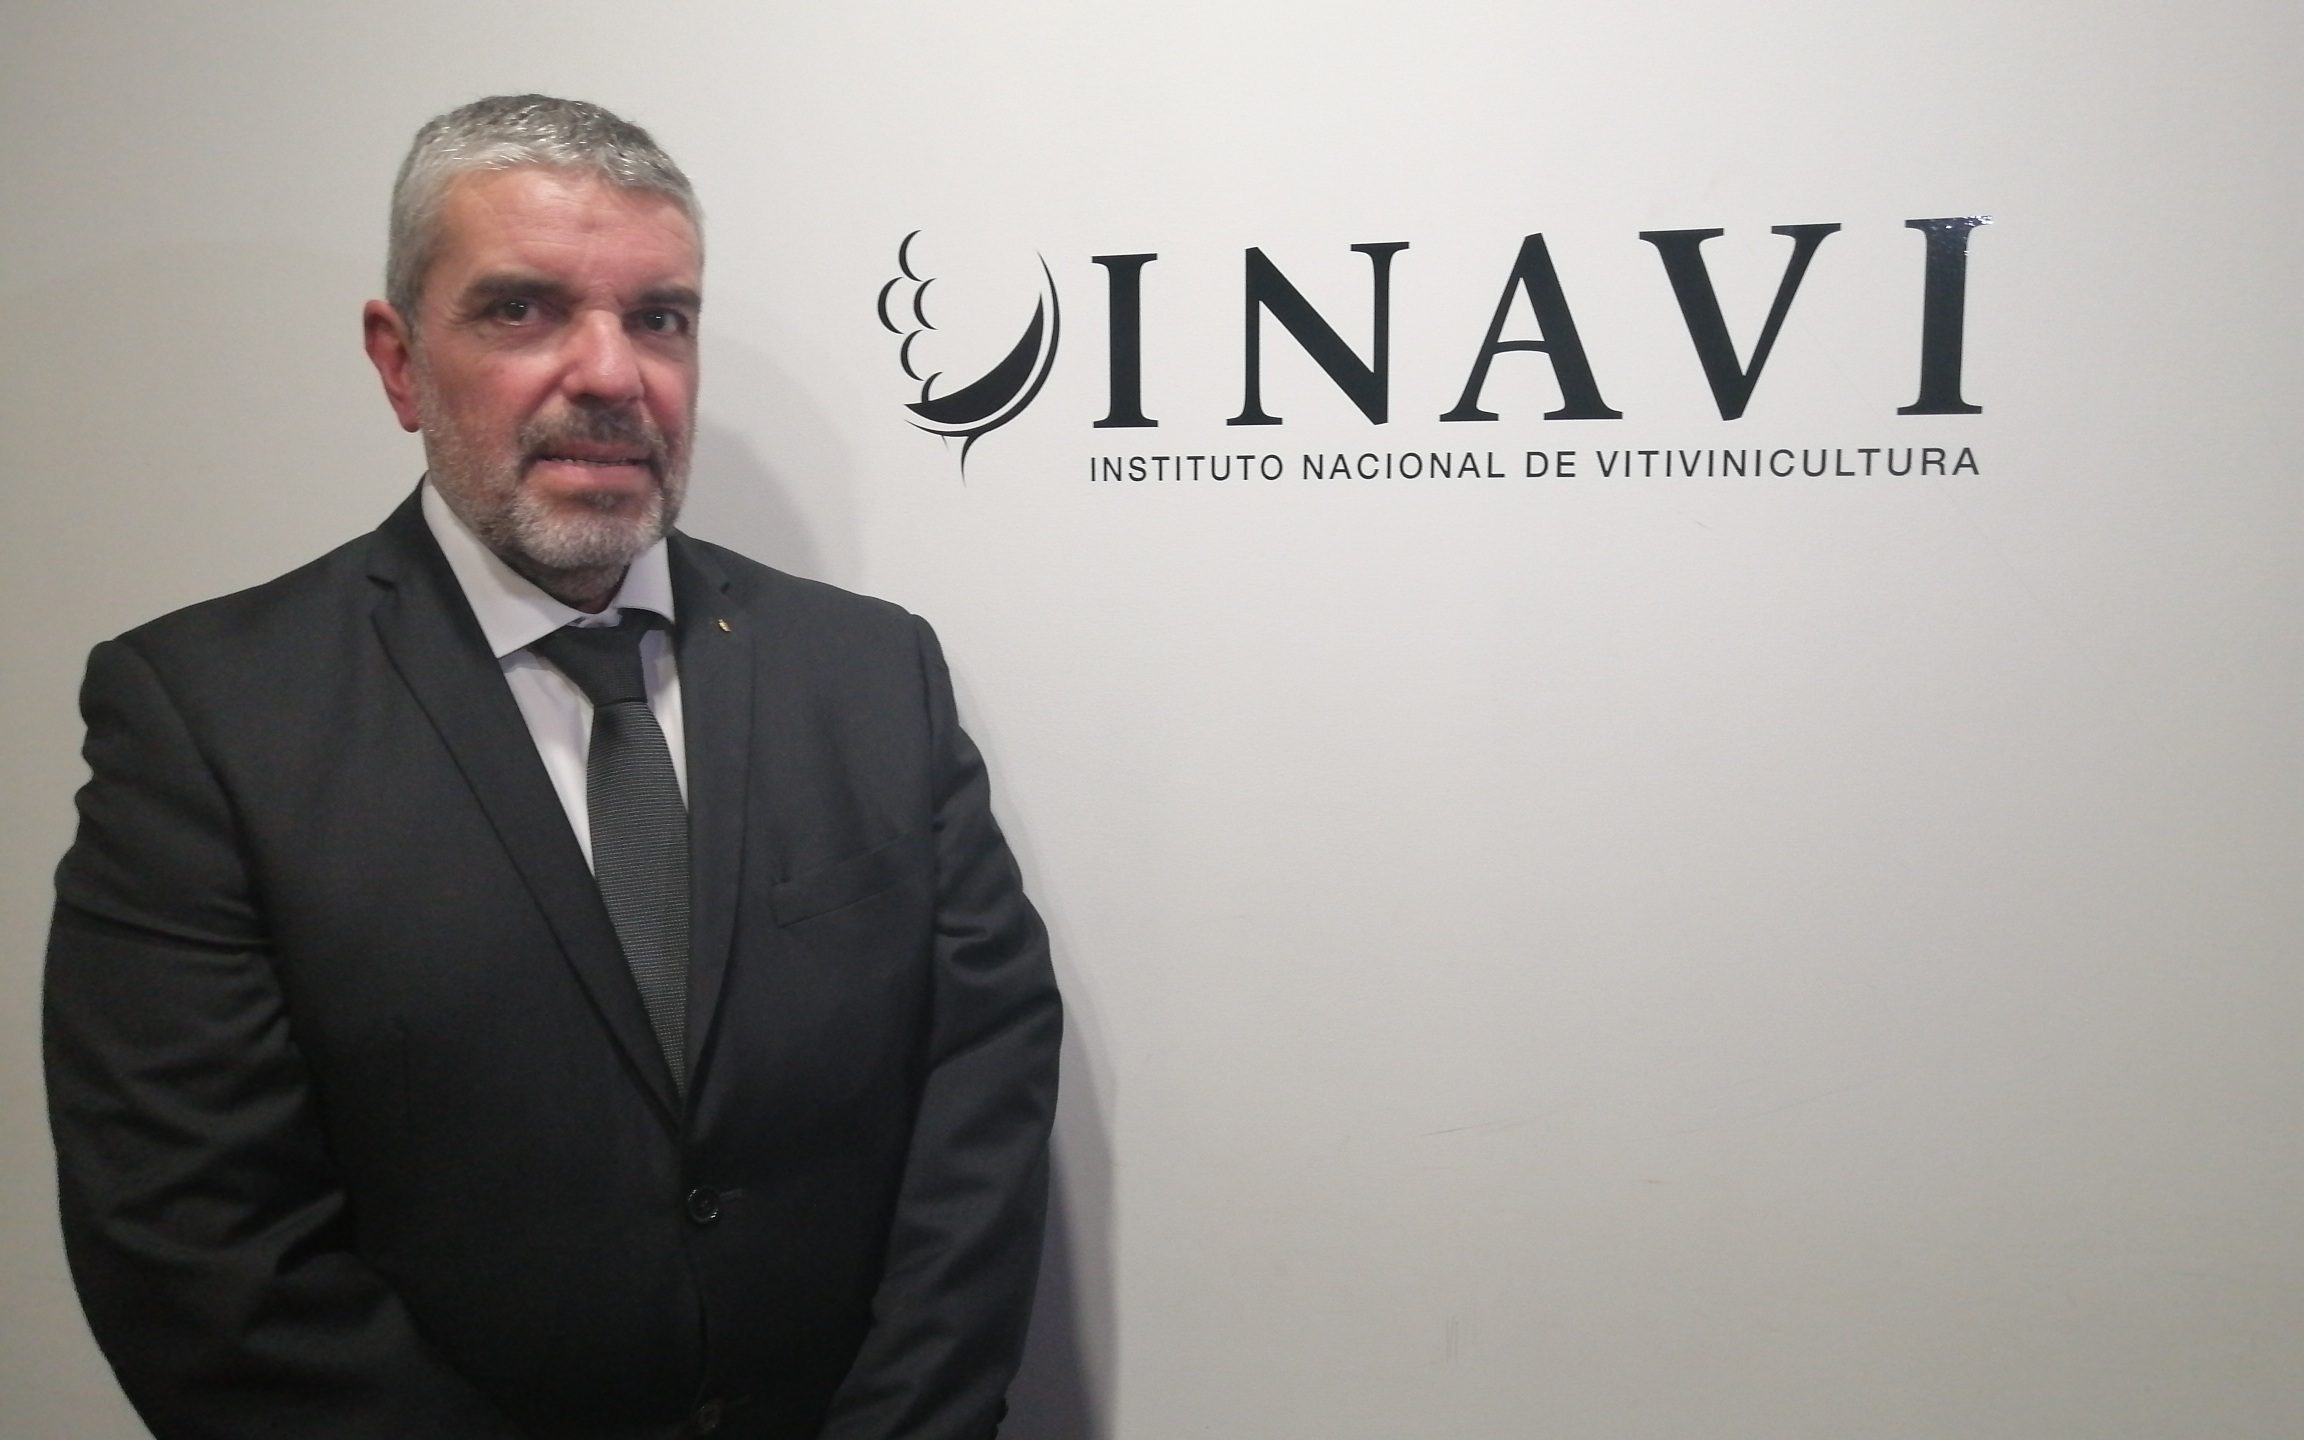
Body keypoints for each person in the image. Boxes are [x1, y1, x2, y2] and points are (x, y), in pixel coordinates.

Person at [43, 94, 1061, 1440]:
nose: (612, 373)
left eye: (660, 317)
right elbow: (200, 1253)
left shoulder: (872, 674)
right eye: (523, 309)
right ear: (400, 362)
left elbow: (980, 1096)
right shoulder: (209, 719)